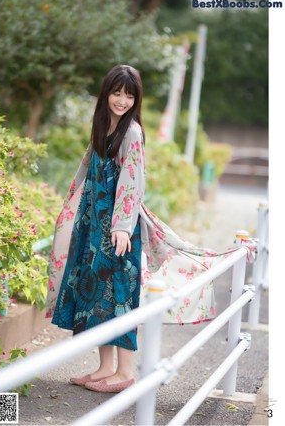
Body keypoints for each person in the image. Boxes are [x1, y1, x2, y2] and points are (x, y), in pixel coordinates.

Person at [45, 64, 242, 394]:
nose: (121, 100)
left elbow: (132, 182)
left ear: (136, 99)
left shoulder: (131, 133)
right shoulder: (103, 126)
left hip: (117, 233)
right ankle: (104, 367)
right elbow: (86, 170)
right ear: (106, 93)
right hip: (94, 227)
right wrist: (71, 209)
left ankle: (124, 372)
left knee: (120, 297)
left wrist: (121, 226)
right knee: (96, 298)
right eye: (116, 92)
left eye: (128, 95)